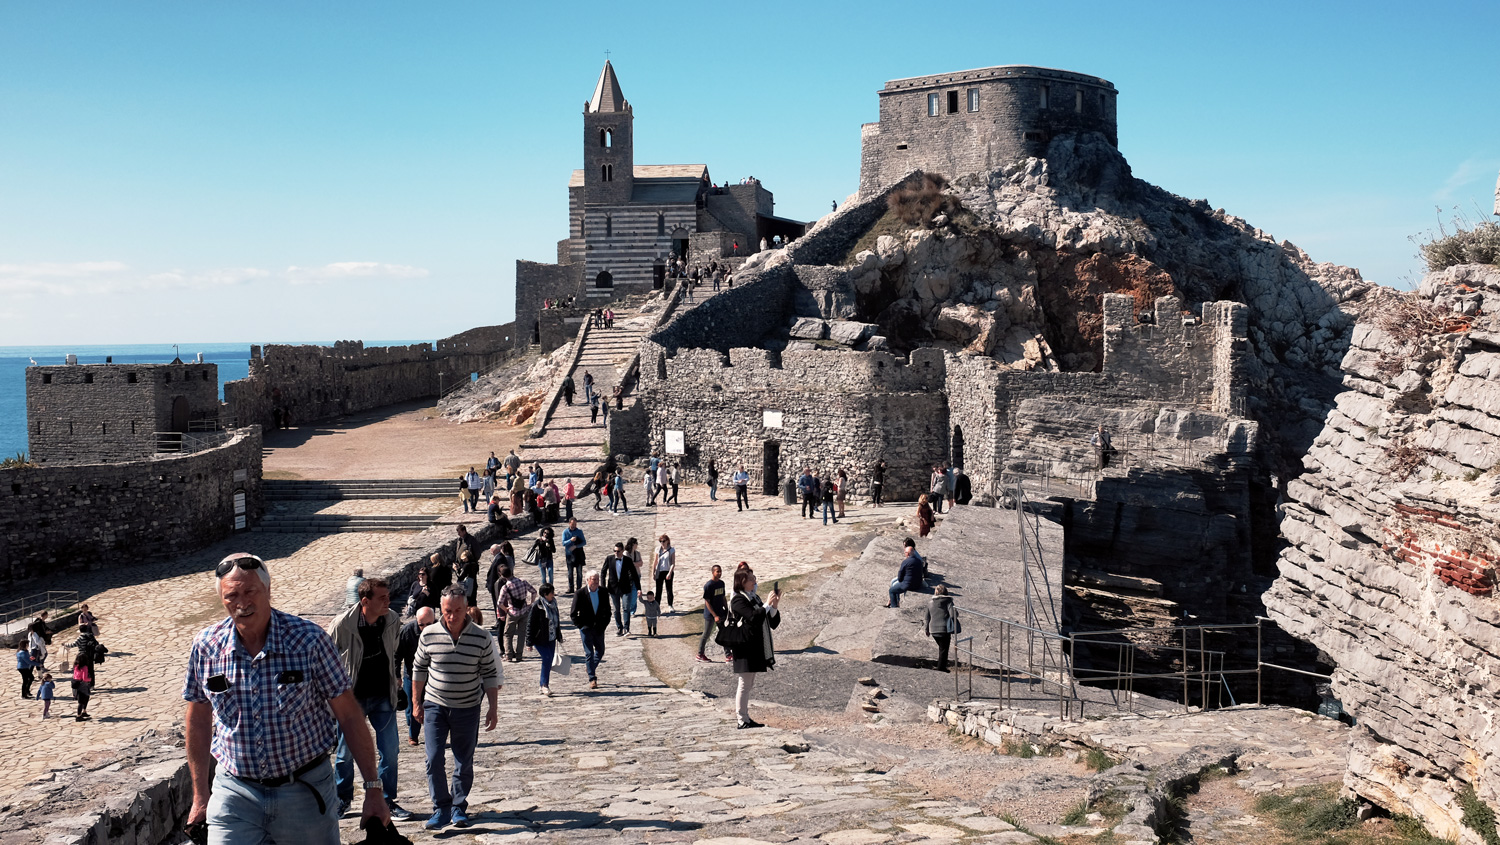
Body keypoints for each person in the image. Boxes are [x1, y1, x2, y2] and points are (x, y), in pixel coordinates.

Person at [183, 553, 392, 844]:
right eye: (232, 595)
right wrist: (200, 796)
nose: (242, 602)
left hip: (304, 794)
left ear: (268, 590)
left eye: (250, 591)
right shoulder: (206, 646)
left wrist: (373, 788)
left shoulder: (309, 640)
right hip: (234, 793)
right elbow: (198, 721)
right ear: (222, 599)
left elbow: (348, 715)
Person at [413, 586, 502, 830]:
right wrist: (416, 703)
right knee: (433, 758)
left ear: (466, 608)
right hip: (435, 705)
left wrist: (493, 708)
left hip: (467, 706)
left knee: (464, 760)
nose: (452, 616)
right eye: (447, 611)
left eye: (458, 610)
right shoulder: (429, 634)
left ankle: (458, 807)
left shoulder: (481, 637)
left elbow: (490, 673)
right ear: (441, 609)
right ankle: (441, 807)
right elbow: (418, 668)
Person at [328, 578, 414, 820]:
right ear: (365, 601)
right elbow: (326, 658)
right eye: (382, 598)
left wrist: (396, 679)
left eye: (388, 596)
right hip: (351, 700)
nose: (388, 601)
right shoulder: (342, 625)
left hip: (383, 695)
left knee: (390, 751)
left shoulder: (392, 620)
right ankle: (342, 799)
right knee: (345, 753)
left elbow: (393, 650)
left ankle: (387, 801)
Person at [729, 567, 780, 729]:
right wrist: (766, 605)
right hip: (744, 648)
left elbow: (772, 622)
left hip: (755, 647)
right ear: (742, 581)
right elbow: (753, 617)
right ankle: (741, 719)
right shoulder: (738, 600)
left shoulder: (754, 597)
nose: (754, 581)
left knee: (749, 683)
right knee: (744, 684)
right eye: (751, 579)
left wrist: (774, 605)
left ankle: (745, 717)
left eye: (754, 578)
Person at [396, 606, 436, 748]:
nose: (425, 628)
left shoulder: (440, 629)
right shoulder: (407, 631)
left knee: (433, 706)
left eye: (429, 624)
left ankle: (431, 735)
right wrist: (397, 676)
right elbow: (397, 655)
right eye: (421, 624)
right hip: (411, 675)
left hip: (433, 675)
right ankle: (413, 733)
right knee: (412, 706)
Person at [569, 571, 611, 690]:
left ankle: (590, 667)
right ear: (587, 580)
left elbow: (608, 610)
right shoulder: (580, 593)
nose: (596, 582)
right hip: (586, 628)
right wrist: (580, 626)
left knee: (600, 651)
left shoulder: (603, 592)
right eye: (593, 579)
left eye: (597, 579)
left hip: (599, 628)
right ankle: (592, 678)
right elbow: (573, 613)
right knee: (589, 653)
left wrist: (604, 624)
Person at [526, 583, 564, 696]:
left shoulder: (554, 603)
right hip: (539, 639)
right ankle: (544, 685)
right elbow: (530, 624)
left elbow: (556, 621)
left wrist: (559, 635)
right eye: (551, 592)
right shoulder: (537, 606)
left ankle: (543, 684)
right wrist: (529, 642)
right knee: (546, 658)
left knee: (549, 660)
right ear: (545, 594)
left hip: (551, 637)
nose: (553, 594)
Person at [496, 565, 537, 663]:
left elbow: (499, 603)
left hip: (512, 612)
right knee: (522, 634)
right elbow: (534, 592)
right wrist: (531, 603)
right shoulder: (523, 582)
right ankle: (519, 655)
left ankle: (509, 655)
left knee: (508, 634)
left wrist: (505, 609)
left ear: (502, 575)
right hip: (524, 611)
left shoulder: (505, 587)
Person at [602, 542, 641, 636]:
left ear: (623, 551)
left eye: (618, 551)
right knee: (616, 609)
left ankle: (626, 628)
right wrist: (603, 587)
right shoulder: (609, 559)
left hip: (625, 588)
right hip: (613, 588)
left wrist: (638, 588)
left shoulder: (628, 560)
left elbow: (634, 574)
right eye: (614, 551)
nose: (616, 553)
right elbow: (603, 572)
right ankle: (619, 627)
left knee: (626, 608)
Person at [697, 565, 729, 663]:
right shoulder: (709, 585)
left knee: (724, 633)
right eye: (717, 571)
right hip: (710, 615)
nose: (719, 573)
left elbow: (723, 597)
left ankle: (728, 655)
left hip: (720, 612)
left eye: (720, 571)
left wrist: (726, 608)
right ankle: (700, 654)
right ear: (713, 572)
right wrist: (714, 615)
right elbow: (707, 602)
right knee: (706, 634)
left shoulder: (721, 583)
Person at [925, 585, 960, 672]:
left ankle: (941, 666)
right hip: (944, 630)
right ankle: (941, 668)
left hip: (933, 630)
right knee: (944, 650)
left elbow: (927, 618)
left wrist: (926, 629)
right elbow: (952, 615)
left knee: (942, 648)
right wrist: (956, 613)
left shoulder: (930, 603)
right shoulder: (948, 601)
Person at [886, 541, 926, 608]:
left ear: (907, 554)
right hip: (918, 584)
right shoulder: (919, 561)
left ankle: (894, 607)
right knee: (895, 584)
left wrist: (902, 581)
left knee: (892, 590)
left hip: (909, 585)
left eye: (905, 552)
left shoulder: (906, 562)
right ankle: (896, 602)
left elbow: (900, 576)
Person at [561, 518, 587, 594]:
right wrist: (570, 540)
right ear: (569, 523)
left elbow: (584, 542)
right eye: (572, 524)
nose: (574, 526)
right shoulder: (565, 532)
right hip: (569, 555)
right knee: (570, 572)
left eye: (575, 524)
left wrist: (576, 546)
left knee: (579, 572)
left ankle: (579, 588)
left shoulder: (579, 531)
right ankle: (571, 587)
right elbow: (563, 543)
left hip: (578, 554)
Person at [653, 535, 677, 611]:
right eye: (660, 541)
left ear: (667, 541)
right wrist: (653, 572)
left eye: (663, 541)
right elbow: (655, 561)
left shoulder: (671, 550)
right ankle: (657, 606)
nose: (662, 543)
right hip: (659, 571)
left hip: (668, 571)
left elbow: (673, 563)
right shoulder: (658, 549)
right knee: (658, 590)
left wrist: (670, 573)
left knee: (669, 589)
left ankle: (670, 605)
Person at [71, 654, 94, 721]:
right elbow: (85, 678)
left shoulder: (76, 666)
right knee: (82, 700)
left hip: (75, 683)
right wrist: (90, 679)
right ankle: (79, 716)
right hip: (82, 685)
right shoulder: (84, 667)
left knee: (84, 698)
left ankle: (84, 712)